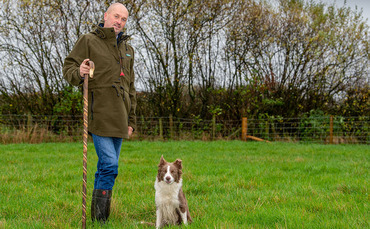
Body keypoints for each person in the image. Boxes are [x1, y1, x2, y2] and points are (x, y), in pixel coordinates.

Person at [62, 3, 136, 223]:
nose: (119, 22)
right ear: (106, 16)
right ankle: (101, 220)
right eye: (116, 16)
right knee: (110, 165)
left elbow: (130, 87)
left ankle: (98, 219)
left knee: (106, 168)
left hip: (121, 118)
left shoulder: (128, 49)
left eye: (123, 19)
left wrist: (131, 121)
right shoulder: (88, 41)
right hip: (99, 115)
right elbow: (69, 68)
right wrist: (79, 71)